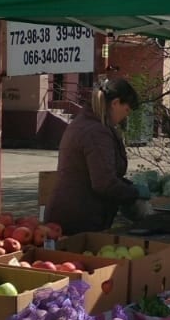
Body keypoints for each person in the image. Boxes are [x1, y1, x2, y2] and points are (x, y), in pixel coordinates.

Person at [44, 79, 151, 235]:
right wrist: (134, 193)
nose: (126, 116)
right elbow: (104, 183)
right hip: (79, 220)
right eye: (126, 109)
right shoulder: (96, 132)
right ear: (115, 103)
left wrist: (128, 187)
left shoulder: (87, 122)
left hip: (73, 214)